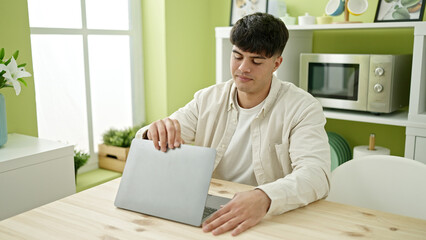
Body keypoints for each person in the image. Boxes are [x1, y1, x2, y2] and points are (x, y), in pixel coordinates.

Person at [135, 12, 330, 236]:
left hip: (270, 216)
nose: (243, 68)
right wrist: (153, 133)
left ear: (277, 63)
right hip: (214, 209)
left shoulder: (302, 107)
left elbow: (317, 175)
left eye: (256, 61)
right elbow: (162, 135)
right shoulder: (206, 99)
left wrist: (265, 197)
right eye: (237, 56)